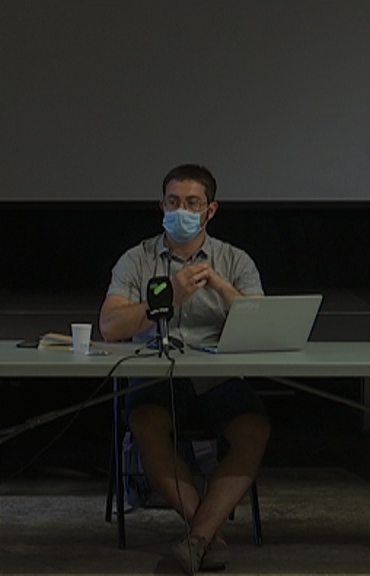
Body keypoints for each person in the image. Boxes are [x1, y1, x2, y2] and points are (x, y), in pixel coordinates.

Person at [99, 164, 270, 574]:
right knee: (145, 422)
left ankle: (196, 540)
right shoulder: (137, 259)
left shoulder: (235, 259)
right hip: (156, 373)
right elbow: (110, 326)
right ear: (161, 206)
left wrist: (222, 287)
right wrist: (168, 298)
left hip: (217, 376)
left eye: (192, 203)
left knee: (254, 429)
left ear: (210, 210)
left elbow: (264, 326)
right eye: (173, 202)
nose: (182, 211)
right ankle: (207, 534)